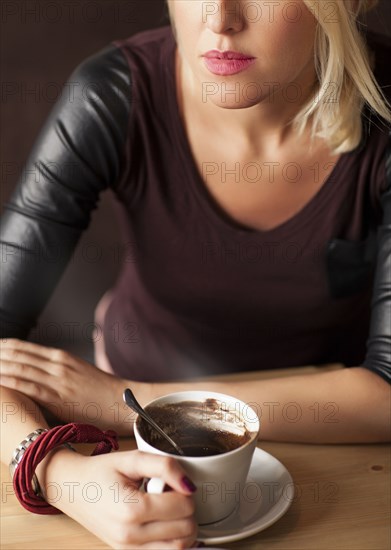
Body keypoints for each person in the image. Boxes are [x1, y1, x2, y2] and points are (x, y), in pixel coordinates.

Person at [1, 0, 390, 547]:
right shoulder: (112, 92)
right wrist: (61, 476)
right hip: (128, 433)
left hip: (328, 441)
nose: (218, 18)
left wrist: (124, 396)